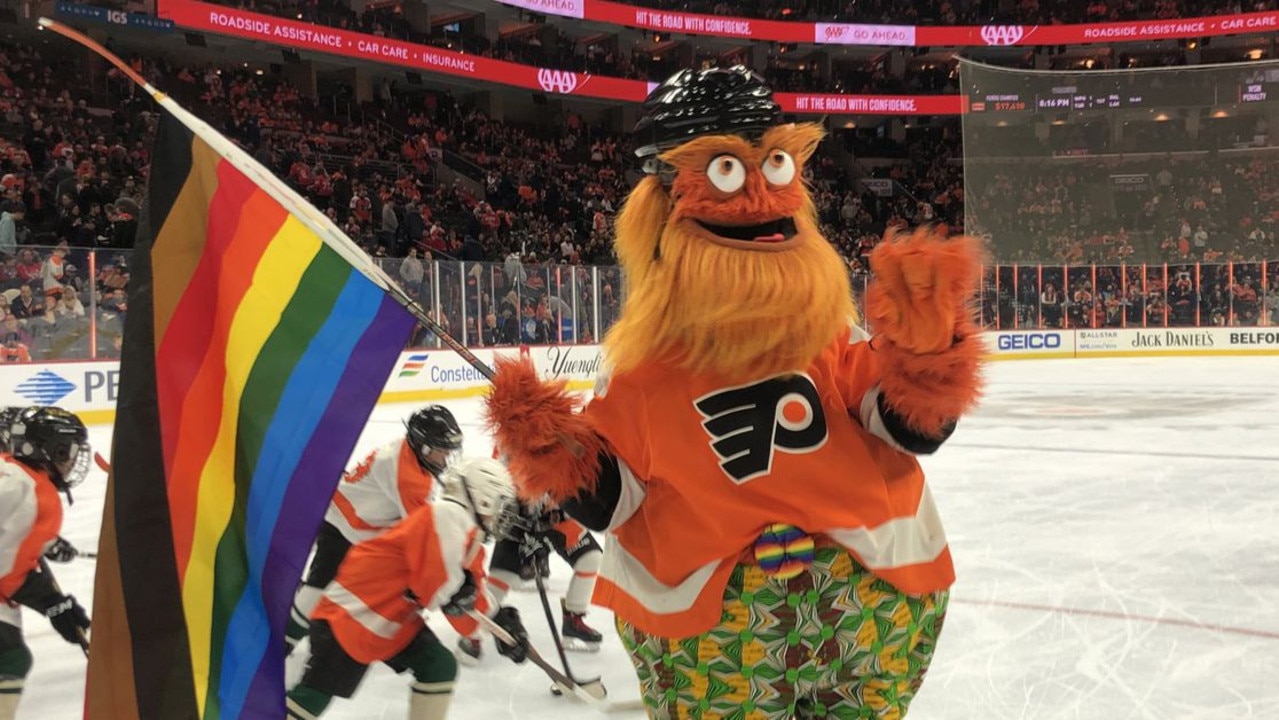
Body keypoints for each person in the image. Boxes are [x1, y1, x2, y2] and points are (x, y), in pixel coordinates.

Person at [486, 67, 985, 719]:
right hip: (720, 643)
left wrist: (925, 360)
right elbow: (611, 499)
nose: (758, 196)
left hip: (868, 612)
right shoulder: (643, 370)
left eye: (774, 166)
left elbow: (913, 429)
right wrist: (551, 451)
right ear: (661, 206)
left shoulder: (828, 333)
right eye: (726, 171)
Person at [286, 458, 530, 720]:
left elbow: (465, 600)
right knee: (315, 696)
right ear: (483, 498)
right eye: (500, 505)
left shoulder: (471, 536)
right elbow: (441, 592)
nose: (503, 515)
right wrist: (476, 609)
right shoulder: (447, 516)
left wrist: (499, 620)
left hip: (392, 616)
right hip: (352, 615)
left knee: (438, 666)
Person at [287, 405, 463, 650]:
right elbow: (421, 534)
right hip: (343, 526)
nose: (444, 458)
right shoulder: (407, 476)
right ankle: (281, 644)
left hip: (361, 524)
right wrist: (447, 581)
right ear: (422, 444)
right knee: (318, 591)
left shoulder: (408, 454)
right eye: (440, 451)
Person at [0, 407, 93, 720]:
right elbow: (6, 568)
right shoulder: (31, 490)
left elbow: (8, 531)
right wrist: (52, 603)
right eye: (69, 452)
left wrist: (44, 542)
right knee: (8, 659)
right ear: (52, 449)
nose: (71, 461)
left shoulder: (14, 473)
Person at [455, 499, 603, 663]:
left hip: (557, 519)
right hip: (518, 526)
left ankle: (574, 621)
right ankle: (473, 632)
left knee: (590, 558)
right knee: (500, 582)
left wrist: (556, 529)